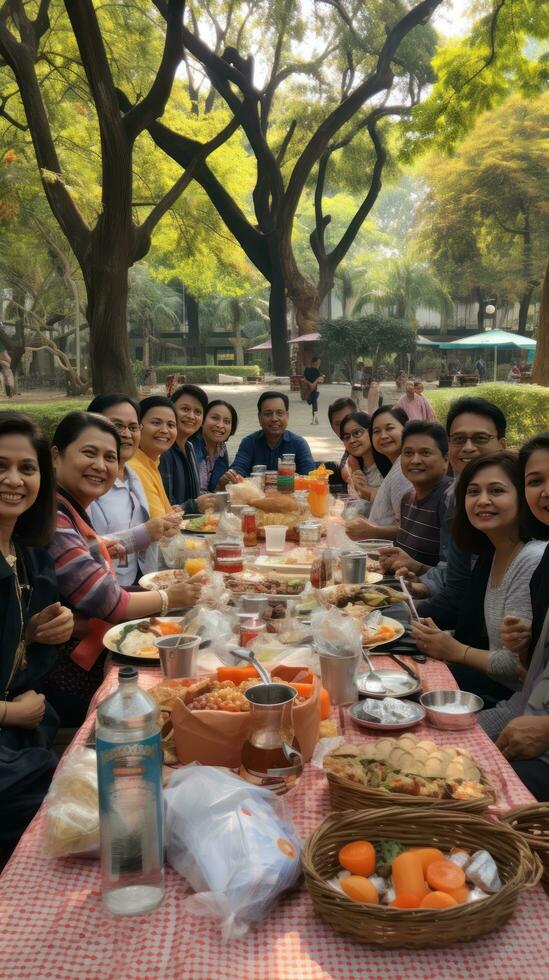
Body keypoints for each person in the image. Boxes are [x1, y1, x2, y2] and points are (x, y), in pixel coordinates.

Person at [43, 412, 202, 726]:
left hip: (89, 653)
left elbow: (100, 556)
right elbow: (108, 601)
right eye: (89, 453)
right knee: (176, 695)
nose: (100, 465)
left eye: (109, 458)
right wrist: (172, 597)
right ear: (56, 456)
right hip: (70, 676)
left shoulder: (69, 509)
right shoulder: (54, 519)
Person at [0, 412, 74, 854]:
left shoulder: (27, 556)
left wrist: (34, 636)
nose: (14, 480)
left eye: (27, 469)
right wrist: (9, 714)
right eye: (0, 467)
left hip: (24, 734)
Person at [411, 453, 546, 695]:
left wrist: (454, 650)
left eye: (496, 491)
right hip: (488, 682)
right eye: (473, 492)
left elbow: (514, 665)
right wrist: (438, 638)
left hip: (514, 699)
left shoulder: (531, 558)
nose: (482, 500)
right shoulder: (494, 553)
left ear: (522, 498)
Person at [382, 397, 508, 622]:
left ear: (502, 444)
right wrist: (423, 582)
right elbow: (452, 569)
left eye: (480, 438)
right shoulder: (455, 497)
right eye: (459, 439)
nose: (468, 447)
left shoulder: (512, 500)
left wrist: (407, 617)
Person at [87, 394, 181, 586]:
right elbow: (76, 551)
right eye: (116, 426)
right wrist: (144, 534)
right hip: (105, 591)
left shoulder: (132, 476)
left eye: (132, 427)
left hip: (141, 583)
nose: (126, 434)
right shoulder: (87, 482)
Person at [345, 406, 411, 540]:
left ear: (406, 429)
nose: (383, 436)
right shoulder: (397, 466)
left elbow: (411, 529)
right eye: (376, 431)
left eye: (390, 428)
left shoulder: (405, 471)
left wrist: (372, 531)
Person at [394, 421, 452, 568]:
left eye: (425, 453)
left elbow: (453, 573)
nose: (415, 460)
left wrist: (417, 569)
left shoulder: (449, 498)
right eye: (408, 453)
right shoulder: (407, 498)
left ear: (446, 460)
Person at [159, 385, 217, 513]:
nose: (191, 416)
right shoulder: (163, 451)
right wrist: (195, 505)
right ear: (171, 410)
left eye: (198, 412)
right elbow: (164, 505)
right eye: (185, 409)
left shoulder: (189, 447)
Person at [231, 391, 315, 476]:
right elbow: (238, 470)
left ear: (287, 416)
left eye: (279, 413)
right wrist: (233, 476)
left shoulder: (299, 444)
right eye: (268, 414)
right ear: (259, 417)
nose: (274, 419)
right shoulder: (249, 443)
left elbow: (310, 476)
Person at [127, 396, 179, 518]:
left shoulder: (153, 461)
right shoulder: (135, 468)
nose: (164, 430)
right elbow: (161, 526)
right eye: (156, 423)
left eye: (171, 425)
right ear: (138, 426)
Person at [192, 399, 240, 492]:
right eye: (215, 418)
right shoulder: (191, 446)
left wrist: (223, 483)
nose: (220, 425)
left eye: (227, 421)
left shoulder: (221, 448)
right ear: (202, 420)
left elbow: (215, 490)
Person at [340, 411, 383, 507]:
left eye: (357, 433)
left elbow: (389, 502)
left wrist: (364, 489)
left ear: (371, 431)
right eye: (346, 437)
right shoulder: (355, 464)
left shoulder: (387, 463)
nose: (351, 440)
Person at [326, 396, 357, 495]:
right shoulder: (349, 447)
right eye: (338, 424)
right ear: (332, 427)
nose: (344, 427)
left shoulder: (369, 443)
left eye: (347, 420)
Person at [303, 356, 325, 425]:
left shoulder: (307, 370)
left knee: (313, 403)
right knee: (312, 402)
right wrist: (318, 380)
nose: (319, 364)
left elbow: (304, 380)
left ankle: (314, 419)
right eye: (318, 363)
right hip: (313, 390)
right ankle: (315, 419)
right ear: (314, 363)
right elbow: (320, 381)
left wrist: (309, 383)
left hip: (311, 390)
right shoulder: (316, 372)